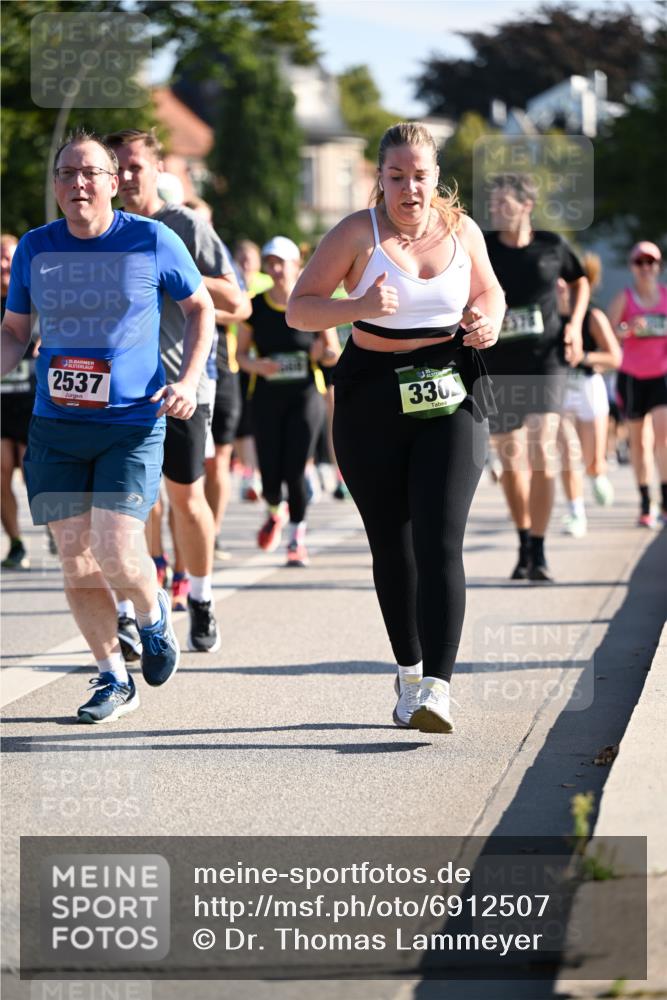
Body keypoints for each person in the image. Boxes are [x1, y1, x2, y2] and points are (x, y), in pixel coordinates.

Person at [288, 121, 504, 733]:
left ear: (438, 177)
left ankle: (437, 685)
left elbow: (491, 291)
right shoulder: (358, 232)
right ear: (379, 179)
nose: (410, 188)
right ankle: (409, 674)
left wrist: (486, 322)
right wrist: (355, 307)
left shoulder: (462, 230)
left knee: (440, 539)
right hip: (372, 396)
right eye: (397, 176)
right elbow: (300, 307)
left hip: (450, 390)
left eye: (420, 176)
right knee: (394, 543)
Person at [0, 129, 215, 722]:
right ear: (56, 186)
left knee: (118, 552)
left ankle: (151, 615)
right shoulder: (36, 250)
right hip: (56, 425)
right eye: (66, 173)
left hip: (132, 422)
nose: (77, 183)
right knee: (75, 558)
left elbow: (201, 309)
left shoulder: (152, 239)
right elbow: (16, 332)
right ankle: (111, 677)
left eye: (90, 172)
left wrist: (190, 381)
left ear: (116, 180)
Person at [106, 128, 249, 650]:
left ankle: (203, 598)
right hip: (121, 392)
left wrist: (177, 272)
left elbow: (239, 301)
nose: (122, 177)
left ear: (156, 168)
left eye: (133, 167)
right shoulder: (102, 229)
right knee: (129, 504)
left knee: (185, 499)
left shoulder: (183, 224)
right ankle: (135, 608)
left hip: (184, 385)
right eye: (114, 167)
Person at [483, 174, 589, 581]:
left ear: (526, 205)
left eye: (504, 203)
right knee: (511, 459)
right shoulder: (486, 249)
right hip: (499, 363)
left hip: (546, 359)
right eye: (492, 204)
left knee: (544, 445)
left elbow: (579, 280)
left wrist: (575, 324)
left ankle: (540, 550)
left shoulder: (552, 245)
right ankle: (524, 539)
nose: (496, 210)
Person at [237, 237, 340, 567]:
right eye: (271, 263)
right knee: (269, 472)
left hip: (305, 396)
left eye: (283, 262)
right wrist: (259, 365)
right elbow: (240, 356)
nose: (277, 269)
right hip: (266, 397)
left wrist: (320, 353)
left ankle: (297, 537)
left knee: (296, 469)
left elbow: (333, 353)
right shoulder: (256, 306)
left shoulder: (313, 302)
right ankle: (273, 510)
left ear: (298, 266)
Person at [558, 254, 621, 537]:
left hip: (587, 386)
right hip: (556, 390)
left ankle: (598, 473)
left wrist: (582, 356)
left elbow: (615, 358)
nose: (559, 285)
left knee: (592, 458)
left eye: (564, 280)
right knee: (568, 454)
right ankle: (575, 513)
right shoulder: (545, 316)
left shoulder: (593, 316)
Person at [607, 241, 667, 527]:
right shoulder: (625, 298)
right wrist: (627, 330)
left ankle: (665, 500)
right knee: (639, 443)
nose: (646, 267)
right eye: (640, 262)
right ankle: (645, 503)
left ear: (658, 266)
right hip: (631, 377)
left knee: (663, 436)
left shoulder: (666, 297)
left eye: (650, 262)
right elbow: (607, 334)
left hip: (661, 375)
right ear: (632, 267)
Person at [1, 233, 35, 570]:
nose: (2, 264)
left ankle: (55, 528)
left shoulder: (32, 297)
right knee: (0, 474)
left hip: (31, 403)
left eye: (8, 257)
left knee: (31, 474)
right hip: (0, 406)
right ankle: (16, 543)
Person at [232, 239, 272, 502]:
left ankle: (263, 470)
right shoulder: (230, 280)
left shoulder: (267, 284)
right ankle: (251, 473)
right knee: (241, 421)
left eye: (251, 258)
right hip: (235, 362)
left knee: (263, 420)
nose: (246, 263)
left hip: (266, 363)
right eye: (242, 257)